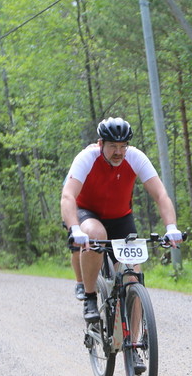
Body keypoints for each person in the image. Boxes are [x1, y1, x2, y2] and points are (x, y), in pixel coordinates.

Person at [60, 117, 182, 323]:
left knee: (133, 279)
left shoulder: (135, 157)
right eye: (113, 146)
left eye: (123, 146)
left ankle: (134, 346)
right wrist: (75, 229)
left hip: (121, 218)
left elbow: (161, 195)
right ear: (100, 144)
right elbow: (68, 196)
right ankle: (90, 296)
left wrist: (171, 227)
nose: (118, 152)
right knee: (95, 234)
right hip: (88, 213)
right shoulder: (87, 157)